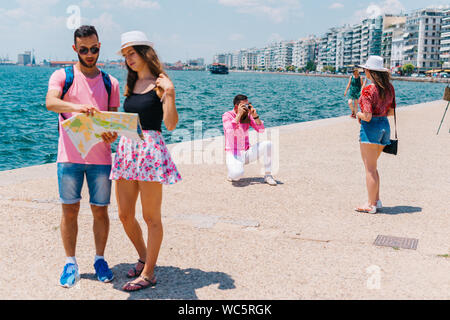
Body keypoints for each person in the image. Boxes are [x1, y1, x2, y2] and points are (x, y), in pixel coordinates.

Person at [45, 25, 120, 287]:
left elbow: (112, 120)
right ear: (75, 49)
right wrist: (79, 108)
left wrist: (112, 134)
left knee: (101, 211)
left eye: (94, 48)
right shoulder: (61, 76)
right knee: (70, 210)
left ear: (100, 46)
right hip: (69, 157)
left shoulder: (111, 82)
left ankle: (100, 259)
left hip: (101, 158)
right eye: (84, 49)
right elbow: (51, 102)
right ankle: (70, 262)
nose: (90, 53)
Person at [110, 31, 182, 291]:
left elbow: (171, 124)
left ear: (145, 53)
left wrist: (170, 94)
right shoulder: (130, 85)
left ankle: (149, 273)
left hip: (151, 152)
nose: (128, 58)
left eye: (132, 52)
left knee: (151, 217)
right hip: (128, 149)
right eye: (125, 55)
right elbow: (130, 121)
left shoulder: (162, 83)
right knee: (124, 214)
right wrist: (111, 131)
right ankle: (143, 256)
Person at [355, 56, 396, 214]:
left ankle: (370, 205)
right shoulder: (389, 88)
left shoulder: (368, 90)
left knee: (369, 169)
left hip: (370, 130)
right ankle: (376, 200)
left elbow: (367, 116)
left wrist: (357, 114)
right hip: (384, 127)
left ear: (369, 71)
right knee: (373, 167)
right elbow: (391, 112)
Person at [222, 94, 277, 186]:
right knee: (236, 176)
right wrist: (239, 115)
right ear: (237, 106)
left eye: (248, 105)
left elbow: (261, 130)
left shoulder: (247, 116)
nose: (247, 108)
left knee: (268, 144)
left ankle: (268, 175)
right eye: (244, 105)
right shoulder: (227, 115)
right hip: (234, 153)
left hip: (247, 152)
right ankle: (233, 171)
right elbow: (229, 131)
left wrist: (255, 116)